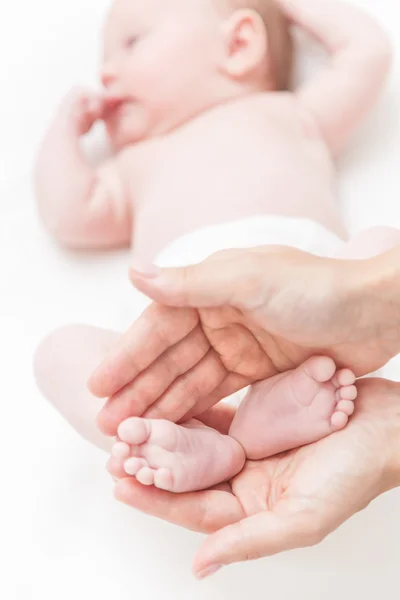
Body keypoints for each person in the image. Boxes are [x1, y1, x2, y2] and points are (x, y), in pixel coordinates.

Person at [34, 0, 395, 490]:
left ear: (240, 43)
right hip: (178, 352)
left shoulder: (293, 114)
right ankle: (185, 436)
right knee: (58, 353)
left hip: (307, 312)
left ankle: (282, 397)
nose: (105, 74)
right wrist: (63, 133)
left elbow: (365, 51)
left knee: (383, 248)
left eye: (133, 42)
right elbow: (70, 215)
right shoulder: (136, 164)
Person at [95, 246, 400, 578]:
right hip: (317, 274)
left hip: (271, 296)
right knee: (377, 239)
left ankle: (162, 439)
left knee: (65, 352)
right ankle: (251, 424)